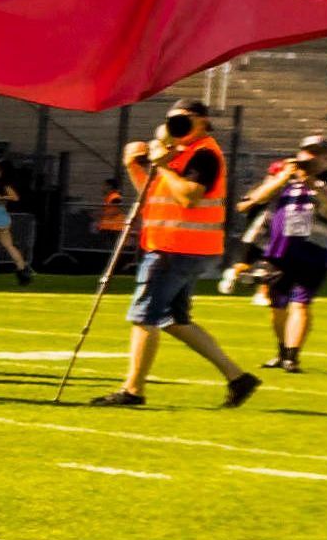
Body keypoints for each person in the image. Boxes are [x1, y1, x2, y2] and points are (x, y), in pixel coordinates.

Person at [96, 103, 259, 409]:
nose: (177, 125)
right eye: (172, 120)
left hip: (176, 248)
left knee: (143, 317)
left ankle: (133, 390)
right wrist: (136, 166)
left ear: (203, 122)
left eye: (185, 120)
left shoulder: (203, 154)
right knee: (174, 320)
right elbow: (155, 195)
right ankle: (238, 377)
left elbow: (188, 197)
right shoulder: (180, 152)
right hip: (181, 247)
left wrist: (163, 165)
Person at [245, 136, 327, 372]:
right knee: (277, 307)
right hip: (278, 253)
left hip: (312, 252)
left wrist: (314, 186)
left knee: (300, 304)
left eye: (317, 153)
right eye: (308, 152)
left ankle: (292, 357)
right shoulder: (286, 175)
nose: (311, 157)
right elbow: (256, 199)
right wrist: (283, 177)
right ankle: (282, 350)